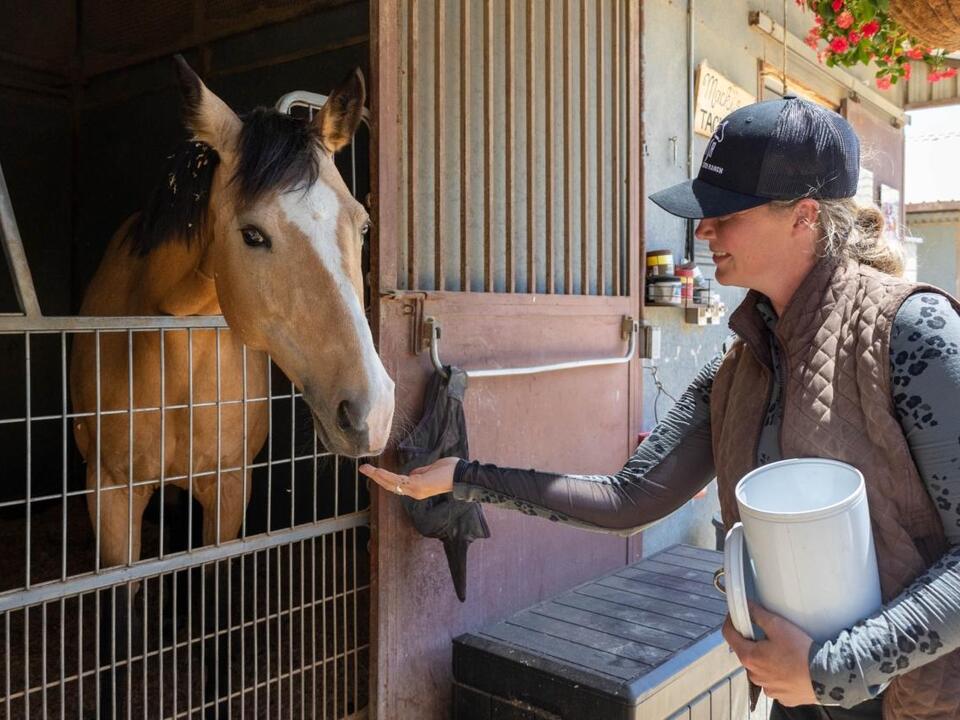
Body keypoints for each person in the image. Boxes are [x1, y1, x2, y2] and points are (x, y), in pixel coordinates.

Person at [360, 96, 960, 720]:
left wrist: (832, 670)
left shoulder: (909, 332)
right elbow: (629, 500)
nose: (704, 230)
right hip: (797, 700)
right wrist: (461, 478)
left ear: (803, 216)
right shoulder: (739, 369)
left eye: (724, 212)